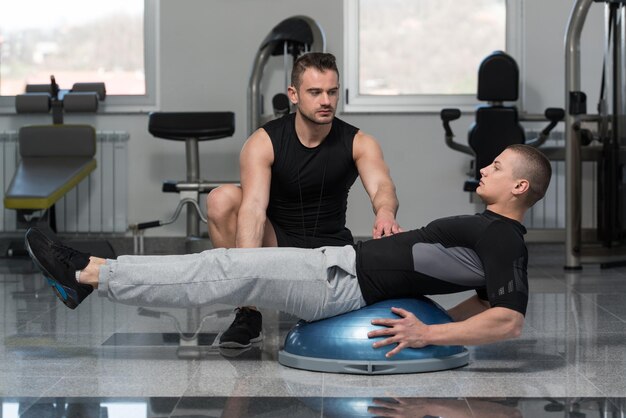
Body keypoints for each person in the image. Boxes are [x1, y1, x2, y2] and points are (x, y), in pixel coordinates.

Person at [24, 144, 551, 357]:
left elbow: (508, 319)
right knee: (223, 267)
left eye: (499, 168)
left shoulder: (501, 235)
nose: (486, 169)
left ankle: (88, 274)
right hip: (340, 269)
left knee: (223, 266)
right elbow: (487, 301)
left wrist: (430, 333)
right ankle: (89, 272)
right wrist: (439, 326)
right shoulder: (491, 233)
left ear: (521, 188)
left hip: (339, 282)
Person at [205, 52, 401, 348]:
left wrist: (385, 212)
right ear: (294, 95)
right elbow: (254, 209)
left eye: (332, 92)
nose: (326, 101)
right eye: (315, 92)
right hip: (278, 243)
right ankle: (248, 312)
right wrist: (246, 272)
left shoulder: (359, 142)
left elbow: (381, 186)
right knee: (222, 199)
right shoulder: (264, 141)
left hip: (331, 249)